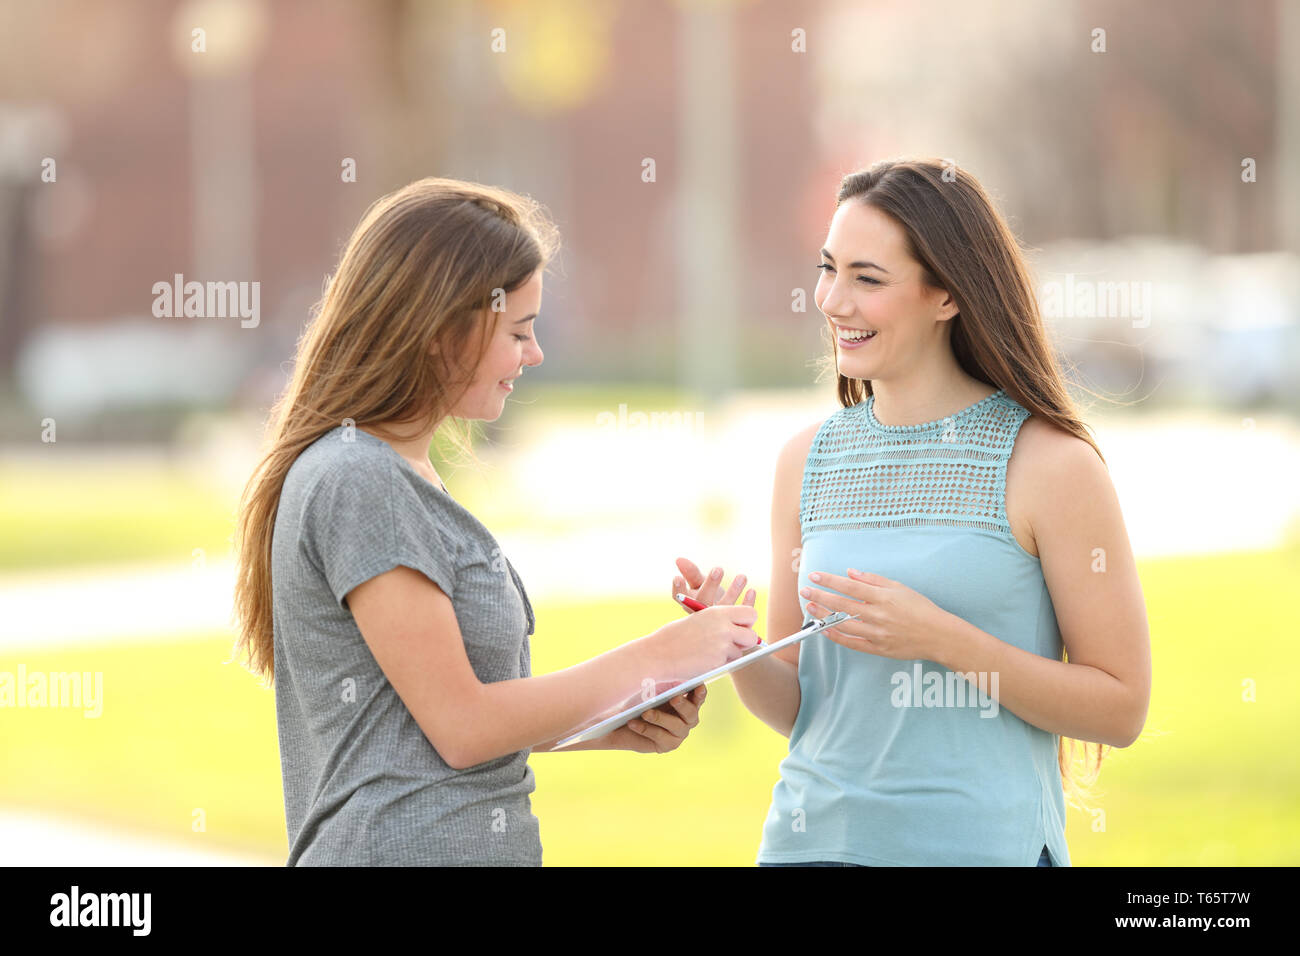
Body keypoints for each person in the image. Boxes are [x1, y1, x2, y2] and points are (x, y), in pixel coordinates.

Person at [232, 177, 758, 866]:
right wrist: (661, 654)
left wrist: (617, 715)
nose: (534, 354)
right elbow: (460, 726)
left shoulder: (395, 474)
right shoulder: (358, 478)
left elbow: (431, 725)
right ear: (441, 328)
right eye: (518, 331)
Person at [674, 158, 1151, 867]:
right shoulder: (805, 460)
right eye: (828, 269)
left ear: (947, 296)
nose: (834, 301)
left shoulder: (1051, 466)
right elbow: (805, 709)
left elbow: (1120, 708)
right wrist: (738, 652)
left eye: (867, 279)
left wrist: (940, 639)